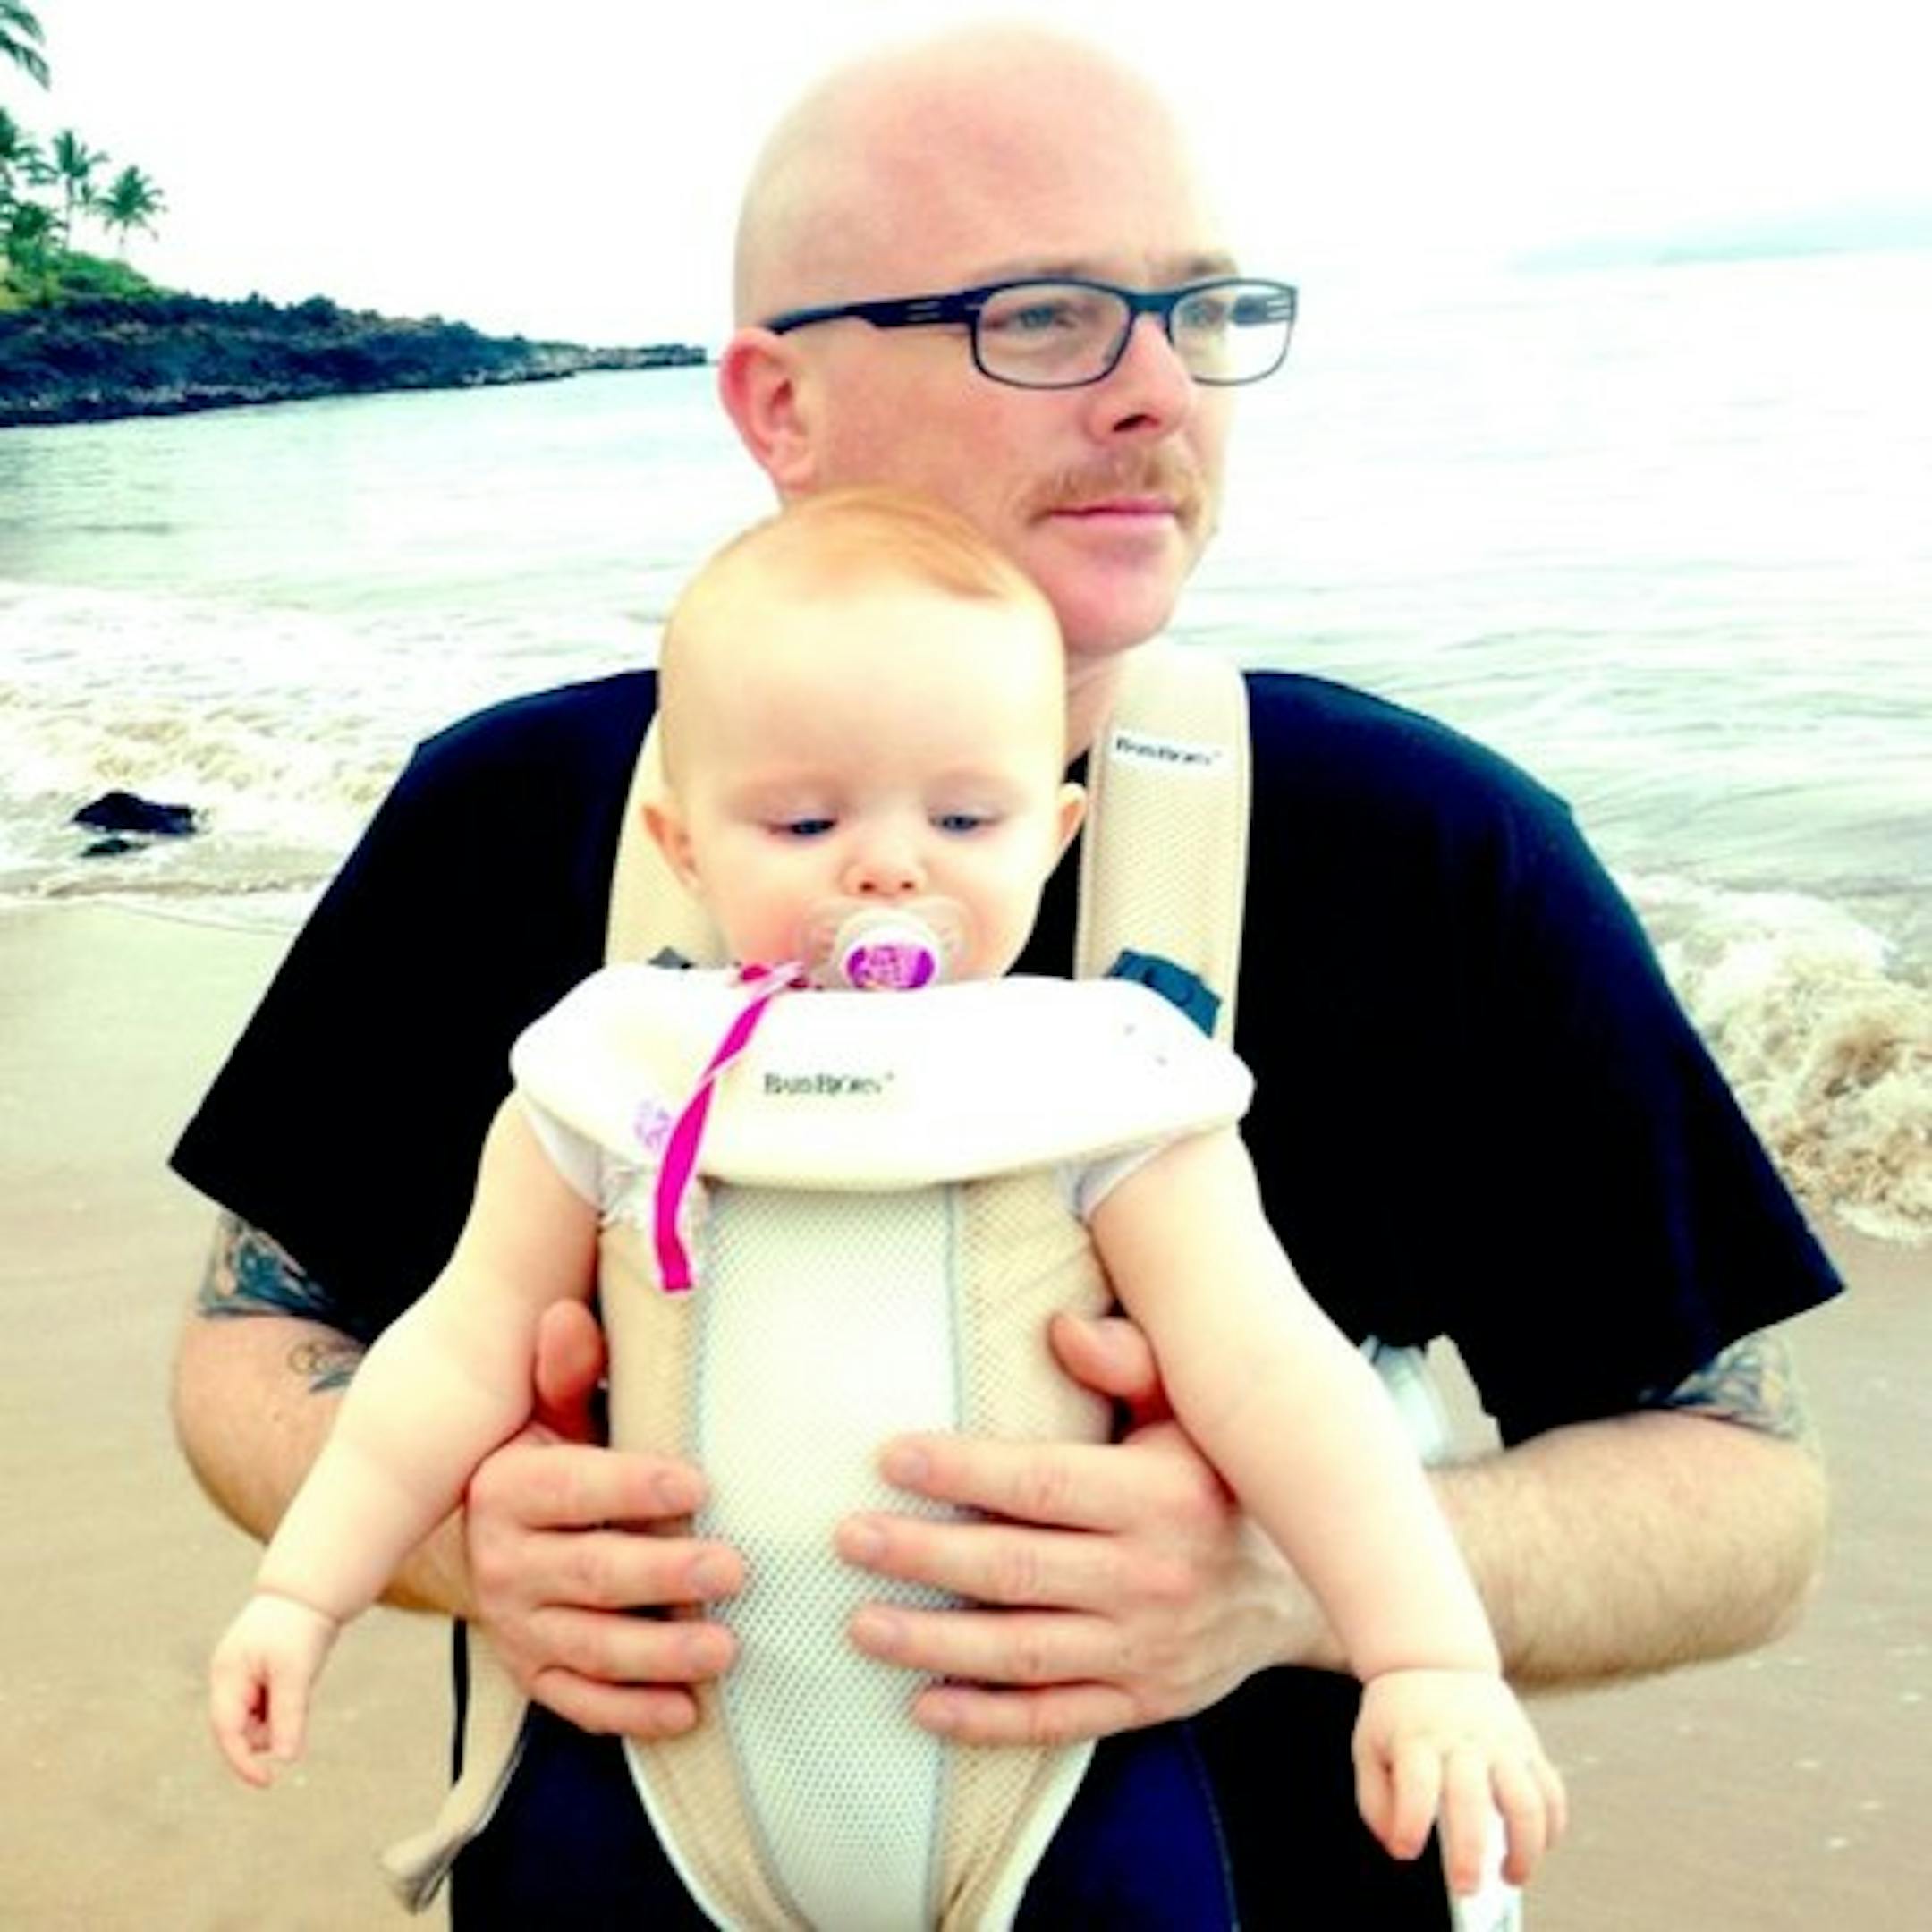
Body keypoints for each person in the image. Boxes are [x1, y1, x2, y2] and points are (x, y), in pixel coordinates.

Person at [171, 22, 1839, 1926]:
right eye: (1041, 317)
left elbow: (1750, 1499)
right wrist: (457, 1542)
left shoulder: (1434, 848)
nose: (1158, 394)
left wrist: (1282, 1584)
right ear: (778, 405)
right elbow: (252, 1340)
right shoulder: (506, 818)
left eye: (1203, 312)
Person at [208, 487, 1565, 1910]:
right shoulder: (619, 1073)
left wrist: (1425, 1656)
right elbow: (457, 1346)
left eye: (964, 814)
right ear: (683, 847)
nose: (888, 862)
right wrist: (309, 1592)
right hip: (664, 1746)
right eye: (803, 820)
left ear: (1054, 831)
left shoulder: (1104, 1081)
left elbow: (1274, 1374)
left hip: (1042, 1775)